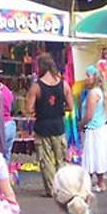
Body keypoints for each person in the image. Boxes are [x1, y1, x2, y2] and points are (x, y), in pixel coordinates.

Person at [26, 53, 75, 196]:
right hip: (59, 125)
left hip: (42, 126)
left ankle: (52, 189)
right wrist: (59, 108)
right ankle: (64, 187)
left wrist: (40, 110)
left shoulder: (36, 86)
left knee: (46, 160)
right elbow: (71, 106)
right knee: (61, 159)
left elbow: (28, 109)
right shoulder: (63, 84)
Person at [79, 65, 107, 193]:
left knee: (91, 154)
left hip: (93, 128)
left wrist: (80, 124)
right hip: (100, 127)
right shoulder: (100, 92)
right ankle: (100, 182)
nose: (86, 78)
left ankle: (89, 183)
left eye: (88, 76)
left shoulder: (93, 94)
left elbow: (89, 115)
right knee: (98, 154)